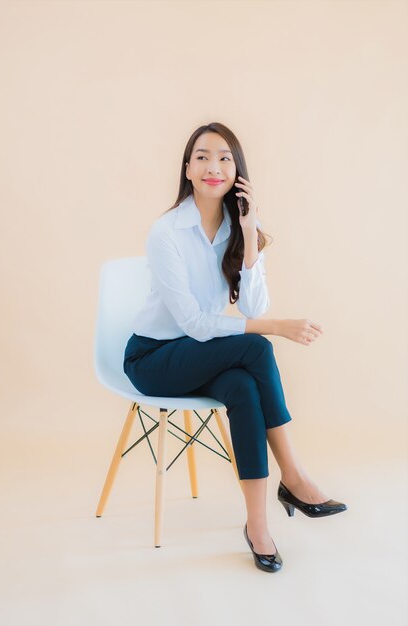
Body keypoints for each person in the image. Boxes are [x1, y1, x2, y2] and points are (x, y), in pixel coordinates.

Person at [123, 122, 347, 573]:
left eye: (225, 158)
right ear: (187, 169)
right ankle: (295, 476)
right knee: (258, 348)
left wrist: (247, 233)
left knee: (244, 388)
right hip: (153, 358)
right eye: (202, 157)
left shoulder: (239, 225)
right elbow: (191, 322)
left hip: (202, 351)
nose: (213, 166)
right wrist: (277, 326)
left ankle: (258, 526)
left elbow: (252, 303)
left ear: (237, 172)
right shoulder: (165, 232)